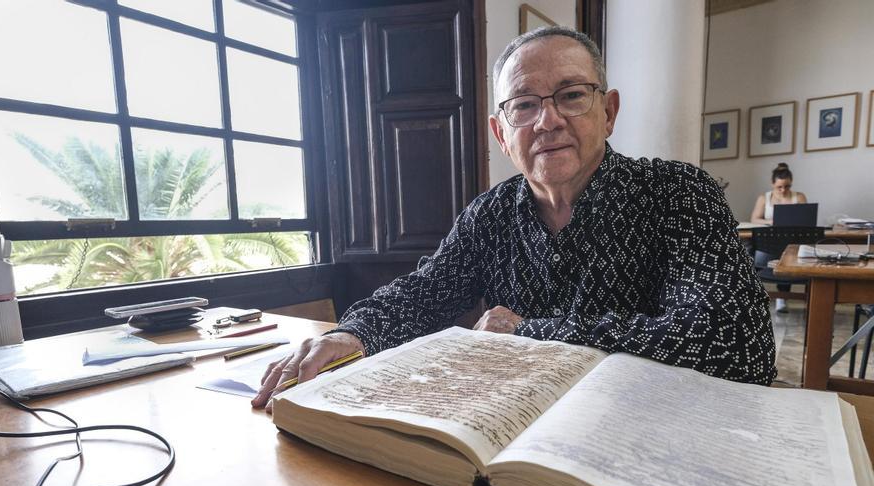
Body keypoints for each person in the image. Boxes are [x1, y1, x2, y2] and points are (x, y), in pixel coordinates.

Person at [252, 27, 776, 411]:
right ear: (502, 134)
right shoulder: (490, 214)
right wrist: (354, 332)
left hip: (650, 423)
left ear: (609, 111)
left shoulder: (677, 192)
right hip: (518, 425)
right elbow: (425, 292)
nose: (547, 120)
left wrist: (531, 331)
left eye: (571, 95)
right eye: (523, 105)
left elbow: (734, 343)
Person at [750, 163, 807, 313]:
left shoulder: (799, 197)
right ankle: (760, 296)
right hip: (770, 241)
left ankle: (783, 297)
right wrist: (771, 222)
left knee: (787, 252)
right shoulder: (764, 198)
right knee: (761, 252)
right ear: (772, 184)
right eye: (779, 187)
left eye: (787, 186)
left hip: (792, 240)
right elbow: (754, 219)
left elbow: (806, 219)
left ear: (791, 184)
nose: (783, 190)